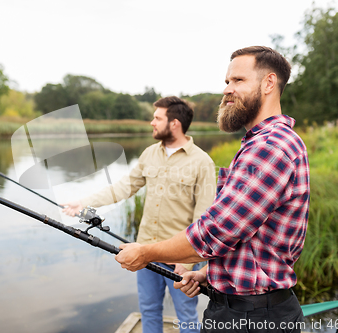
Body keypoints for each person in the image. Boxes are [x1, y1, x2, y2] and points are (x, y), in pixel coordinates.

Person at [115, 46, 310, 333]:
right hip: (245, 309)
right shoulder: (259, 143)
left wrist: (145, 253)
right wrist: (209, 273)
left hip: (254, 319)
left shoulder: (270, 147)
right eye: (227, 82)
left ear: (269, 83)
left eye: (238, 81)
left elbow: (216, 231)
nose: (228, 90)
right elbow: (253, 239)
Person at [62, 96, 217, 333]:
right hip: (144, 252)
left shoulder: (202, 162)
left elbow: (203, 217)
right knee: (148, 310)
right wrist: (83, 203)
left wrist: (190, 261)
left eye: (157, 118)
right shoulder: (149, 154)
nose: (152, 123)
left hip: (180, 259)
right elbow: (122, 188)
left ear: (174, 123)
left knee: (186, 315)